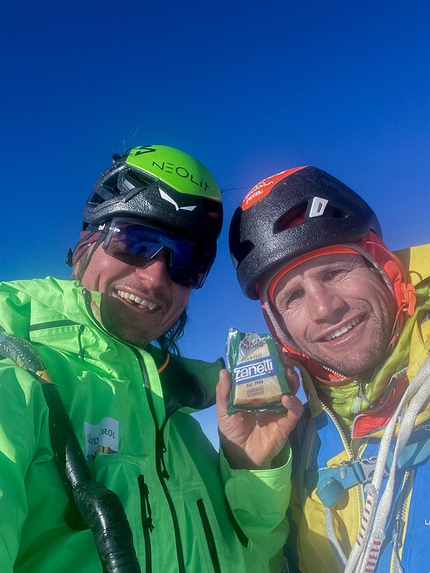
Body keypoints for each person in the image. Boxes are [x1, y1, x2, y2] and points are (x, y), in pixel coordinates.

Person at [0, 145, 303, 573]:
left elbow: (252, 559)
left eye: (185, 261)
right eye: (135, 242)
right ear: (88, 240)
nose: (156, 276)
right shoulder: (15, 358)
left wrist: (250, 467)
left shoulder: (181, 422)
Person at [229, 165, 430, 573]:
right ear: (279, 329)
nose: (325, 309)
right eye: (294, 296)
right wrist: (256, 470)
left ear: (383, 267)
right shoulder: (301, 444)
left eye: (335, 272)